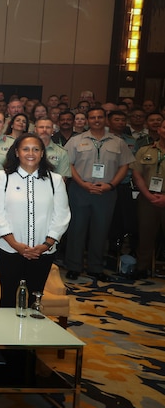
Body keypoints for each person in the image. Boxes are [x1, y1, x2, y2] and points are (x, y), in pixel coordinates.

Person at [0, 133, 70, 307]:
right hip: (9, 250)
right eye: (25, 149)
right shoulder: (3, 177)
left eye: (36, 149)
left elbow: (62, 216)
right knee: (8, 299)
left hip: (43, 251)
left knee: (34, 300)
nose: (30, 153)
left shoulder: (55, 180)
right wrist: (15, 245)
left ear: (42, 153)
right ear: (16, 152)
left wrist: (46, 245)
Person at [64, 108, 135, 281]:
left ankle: (95, 268)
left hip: (106, 192)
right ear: (87, 120)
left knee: (101, 231)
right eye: (92, 117)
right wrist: (83, 184)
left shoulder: (118, 142)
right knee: (76, 229)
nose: (96, 120)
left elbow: (125, 166)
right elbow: (69, 164)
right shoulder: (76, 141)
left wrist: (111, 185)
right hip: (80, 190)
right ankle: (74, 266)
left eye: (100, 117)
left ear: (105, 120)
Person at [131, 119, 165, 280]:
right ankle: (142, 268)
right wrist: (148, 195)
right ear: (159, 130)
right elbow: (137, 174)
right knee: (145, 235)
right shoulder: (145, 150)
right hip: (147, 198)